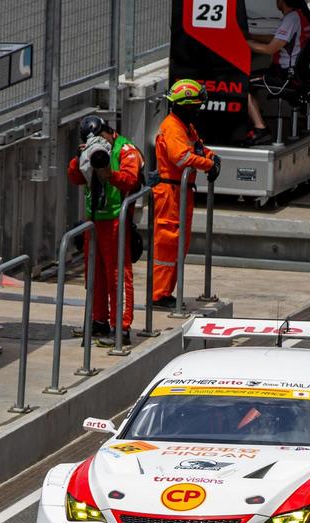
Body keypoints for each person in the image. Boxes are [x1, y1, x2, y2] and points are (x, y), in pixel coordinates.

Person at [67, 114, 144, 341]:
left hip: (116, 220)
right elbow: (75, 178)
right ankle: (98, 320)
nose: (98, 145)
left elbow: (131, 181)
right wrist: (79, 157)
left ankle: (121, 327)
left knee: (118, 275)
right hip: (94, 220)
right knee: (94, 274)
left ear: (108, 132)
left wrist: (110, 174)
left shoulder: (126, 150)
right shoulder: (89, 150)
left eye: (100, 139)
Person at [151, 79, 220, 313]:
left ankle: (167, 292)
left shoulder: (185, 126)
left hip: (181, 192)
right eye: (197, 105)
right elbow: (181, 157)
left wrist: (211, 157)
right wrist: (208, 164)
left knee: (180, 243)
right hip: (169, 192)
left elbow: (197, 149)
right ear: (187, 105)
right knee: (168, 244)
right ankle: (159, 295)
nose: (199, 110)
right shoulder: (172, 127)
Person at [243, 0, 310, 145]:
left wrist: (243, 42)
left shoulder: (291, 18)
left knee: (242, 84)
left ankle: (260, 128)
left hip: (285, 76)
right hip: (297, 74)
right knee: (252, 78)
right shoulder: (301, 16)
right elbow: (278, 38)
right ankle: (256, 117)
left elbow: (270, 49)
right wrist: (252, 37)